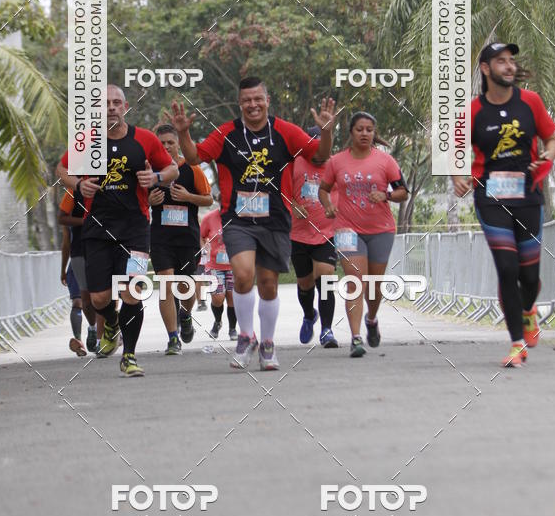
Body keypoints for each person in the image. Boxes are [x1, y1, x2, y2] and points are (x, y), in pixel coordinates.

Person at [171, 77, 335, 371]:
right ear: (240, 103)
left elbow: (320, 155)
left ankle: (268, 345)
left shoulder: (285, 132)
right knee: (244, 275)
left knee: (269, 283)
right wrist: (183, 133)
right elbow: (195, 156)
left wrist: (327, 132)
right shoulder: (227, 134)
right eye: (247, 100)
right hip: (238, 219)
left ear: (267, 100)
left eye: (258, 98)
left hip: (274, 219)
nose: (253, 104)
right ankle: (246, 336)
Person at [57, 84, 178, 377]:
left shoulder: (145, 139)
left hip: (135, 230)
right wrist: (77, 184)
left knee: (132, 291)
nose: (111, 107)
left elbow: (172, 169)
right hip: (97, 230)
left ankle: (130, 356)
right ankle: (110, 323)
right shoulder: (88, 141)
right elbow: (61, 170)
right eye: (104, 104)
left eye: (116, 103)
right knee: (99, 299)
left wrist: (157, 177)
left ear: (125, 107)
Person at [452, 42, 555, 368]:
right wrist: (458, 175)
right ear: (486, 69)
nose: (510, 66)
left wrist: (548, 153)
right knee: (507, 268)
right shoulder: (471, 111)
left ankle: (528, 312)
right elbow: (457, 151)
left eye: (512, 61)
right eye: (501, 61)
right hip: (491, 197)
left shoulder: (531, 102)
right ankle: (516, 344)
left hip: (528, 195)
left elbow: (553, 138)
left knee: (529, 276)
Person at [319, 112, 408, 358]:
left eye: (369, 129)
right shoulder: (337, 161)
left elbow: (403, 192)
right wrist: (327, 206)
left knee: (373, 286)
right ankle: (356, 337)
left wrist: (386, 195)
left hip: (381, 230)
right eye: (360, 129)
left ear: (374, 133)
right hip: (347, 229)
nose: (365, 133)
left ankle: (371, 319)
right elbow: (324, 190)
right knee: (355, 281)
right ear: (351, 132)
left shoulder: (386, 161)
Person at [148, 123, 212, 355]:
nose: (166, 147)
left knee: (186, 285)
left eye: (170, 143)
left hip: (187, 238)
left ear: (177, 144)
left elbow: (208, 200)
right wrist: (148, 202)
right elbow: (135, 200)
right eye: (162, 143)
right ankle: (173, 338)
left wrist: (188, 196)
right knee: (166, 284)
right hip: (160, 238)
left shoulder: (192, 168)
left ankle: (185, 315)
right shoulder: (151, 170)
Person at [291, 128, 339, 348]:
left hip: (326, 232)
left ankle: (327, 330)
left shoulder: (336, 166)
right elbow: (278, 190)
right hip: (298, 233)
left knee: (326, 277)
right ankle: (309, 314)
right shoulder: (294, 163)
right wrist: (293, 205)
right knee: (305, 283)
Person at [59, 185, 98, 355]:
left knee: (98, 300)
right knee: (78, 302)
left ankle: (95, 331)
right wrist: (63, 269)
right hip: (77, 257)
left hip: (98, 255)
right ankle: (79, 340)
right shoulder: (71, 194)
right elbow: (66, 242)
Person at [200, 205, 238, 340]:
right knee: (218, 298)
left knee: (233, 297)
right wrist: (204, 246)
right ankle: (217, 322)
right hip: (214, 265)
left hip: (234, 264)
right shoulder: (209, 218)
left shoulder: (238, 216)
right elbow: (201, 235)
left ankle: (232, 329)